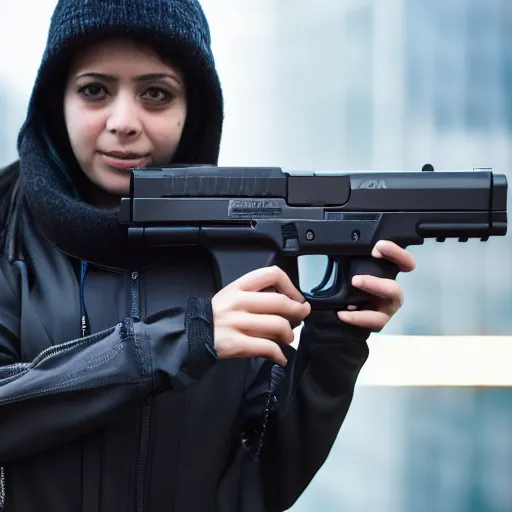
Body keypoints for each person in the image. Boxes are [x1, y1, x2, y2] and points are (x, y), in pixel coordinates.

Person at [0, 0, 416, 510]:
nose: (124, 121)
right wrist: (184, 339)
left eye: (156, 93)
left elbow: (260, 486)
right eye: (94, 90)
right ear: (54, 100)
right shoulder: (5, 224)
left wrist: (337, 342)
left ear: (192, 107)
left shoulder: (245, 244)